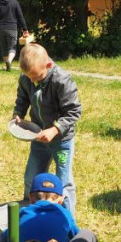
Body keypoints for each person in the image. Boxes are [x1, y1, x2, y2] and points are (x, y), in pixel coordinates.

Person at [12, 42, 82, 214]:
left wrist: (55, 129)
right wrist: (18, 113)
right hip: (39, 138)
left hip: (61, 140)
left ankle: (66, 219)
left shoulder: (62, 80)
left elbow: (74, 111)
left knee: (63, 182)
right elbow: (23, 98)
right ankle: (30, 215)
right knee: (31, 178)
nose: (32, 80)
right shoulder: (26, 78)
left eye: (36, 77)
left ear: (49, 65)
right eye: (28, 77)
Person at [0, 172, 98, 242]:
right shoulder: (64, 213)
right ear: (61, 199)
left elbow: (6, 238)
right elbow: (74, 234)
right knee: (88, 235)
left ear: (31, 197)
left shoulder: (22, 212)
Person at [0, 0, 28, 71]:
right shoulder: (15, 3)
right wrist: (25, 29)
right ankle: (9, 61)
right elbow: (20, 17)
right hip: (11, 28)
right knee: (12, 47)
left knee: (4, 47)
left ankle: (7, 66)